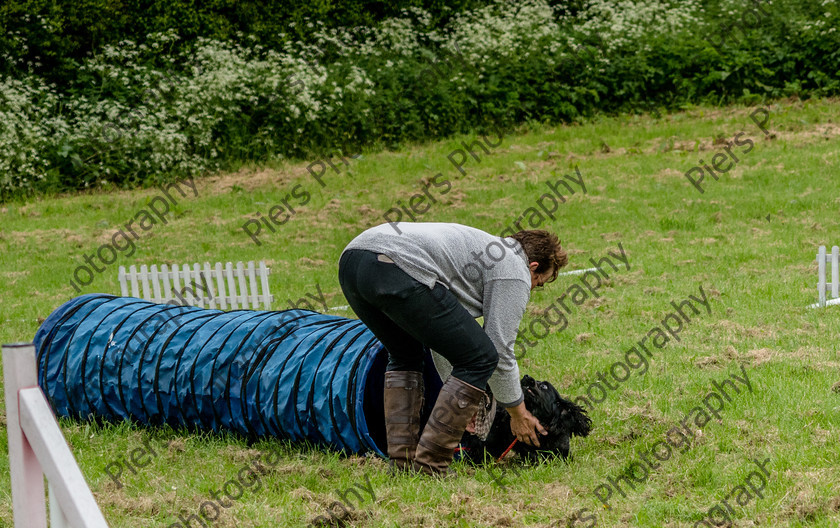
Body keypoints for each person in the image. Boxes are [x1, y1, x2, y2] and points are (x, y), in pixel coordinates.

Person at [338, 222, 567, 475]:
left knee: (405, 355)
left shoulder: (481, 254)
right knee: (483, 356)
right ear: (533, 267)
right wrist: (518, 413)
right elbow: (499, 351)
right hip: (395, 263)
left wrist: (463, 403)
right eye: (539, 282)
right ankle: (431, 466)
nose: (533, 288)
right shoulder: (514, 267)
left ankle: (402, 464)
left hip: (353, 261)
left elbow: (442, 340)